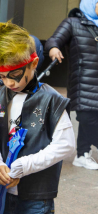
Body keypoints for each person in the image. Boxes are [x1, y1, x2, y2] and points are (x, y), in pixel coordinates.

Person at [0, 21, 75, 214]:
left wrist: (24, 166)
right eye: (1, 76)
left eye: (13, 75)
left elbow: (66, 146)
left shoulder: (51, 99)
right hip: (1, 196)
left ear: (33, 63)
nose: (8, 82)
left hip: (37, 197)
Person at [45, 0, 98, 170]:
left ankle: (82, 155)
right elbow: (54, 39)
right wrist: (53, 48)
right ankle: (83, 153)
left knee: (91, 118)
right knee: (87, 117)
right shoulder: (73, 23)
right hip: (83, 81)